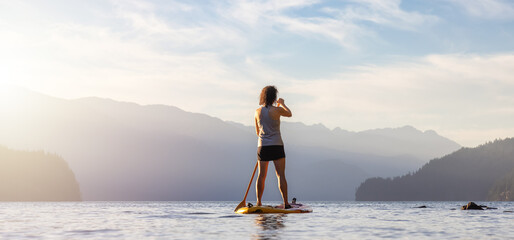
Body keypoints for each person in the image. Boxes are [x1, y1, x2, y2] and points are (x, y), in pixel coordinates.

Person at [254, 85, 292, 208]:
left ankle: (259, 202)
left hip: (263, 146)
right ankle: (286, 203)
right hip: (276, 145)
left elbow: (257, 132)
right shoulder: (277, 110)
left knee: (261, 175)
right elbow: (289, 114)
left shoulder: (257, 112)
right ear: (273, 97)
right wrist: (282, 104)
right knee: (280, 175)